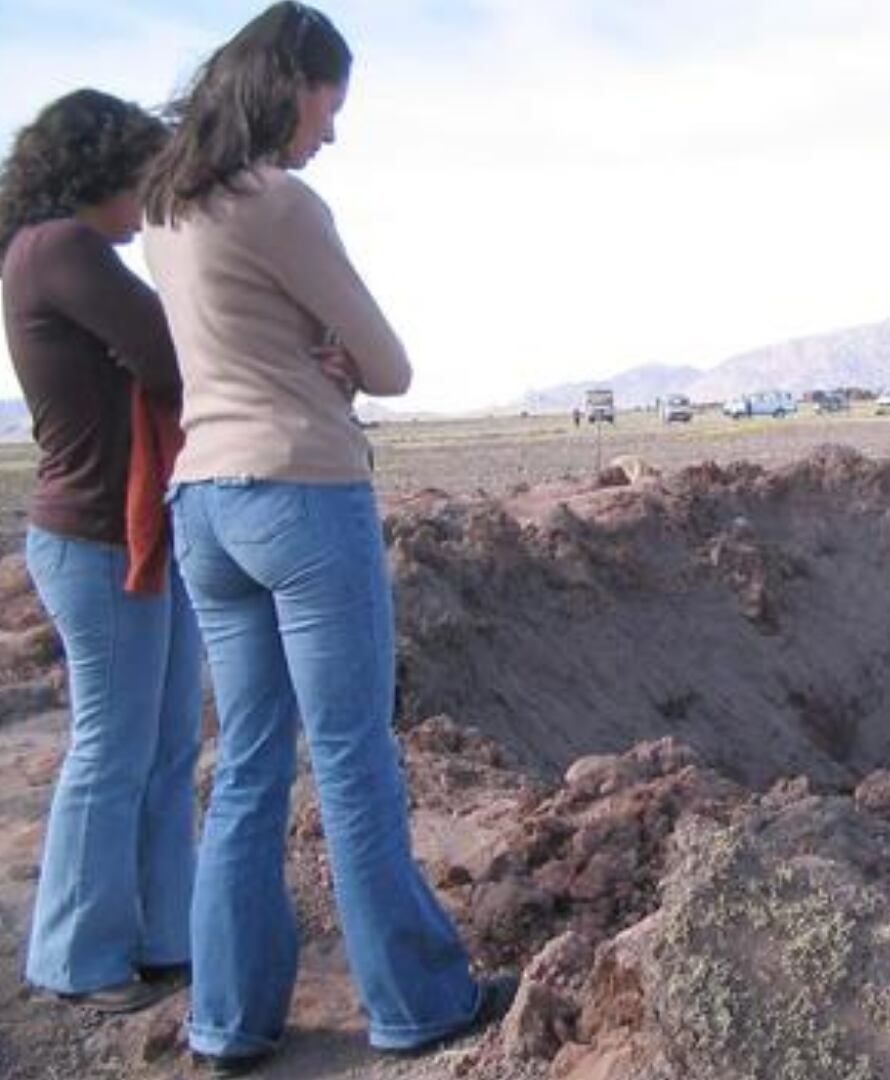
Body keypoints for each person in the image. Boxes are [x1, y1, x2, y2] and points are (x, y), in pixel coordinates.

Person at [140, 3, 512, 1070]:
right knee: (352, 761)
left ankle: (228, 1020)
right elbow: (389, 365)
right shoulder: (280, 202)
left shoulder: (169, 206)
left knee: (248, 764)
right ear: (286, 83)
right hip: (299, 491)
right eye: (328, 105)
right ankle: (415, 1003)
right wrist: (340, 361)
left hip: (202, 501)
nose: (330, 132)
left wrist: (312, 348)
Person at [0, 89, 200, 1016]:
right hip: (93, 536)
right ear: (105, 171)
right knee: (114, 750)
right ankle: (79, 953)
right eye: (145, 181)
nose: (152, 202)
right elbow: (171, 354)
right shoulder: (61, 249)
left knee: (158, 746)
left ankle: (163, 935)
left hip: (125, 534)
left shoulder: (47, 252)